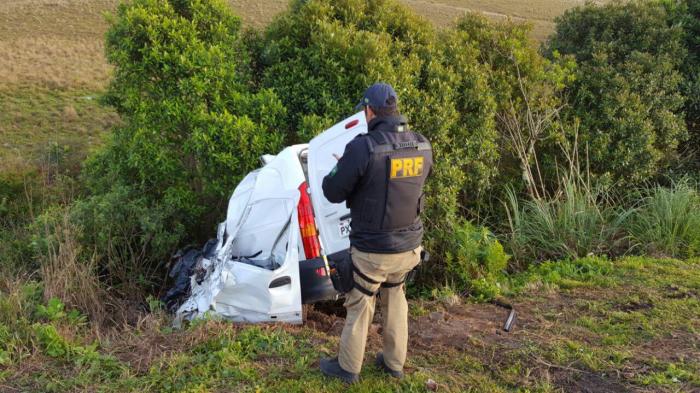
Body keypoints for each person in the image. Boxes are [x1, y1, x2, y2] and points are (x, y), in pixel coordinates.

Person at [319, 83, 433, 384]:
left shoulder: (362, 147)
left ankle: (348, 368)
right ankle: (394, 363)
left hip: (373, 252)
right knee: (396, 298)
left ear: (369, 111)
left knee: (360, 302)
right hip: (409, 249)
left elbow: (331, 191)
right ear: (394, 110)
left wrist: (344, 169)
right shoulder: (422, 145)